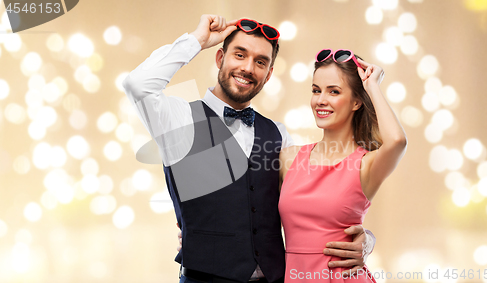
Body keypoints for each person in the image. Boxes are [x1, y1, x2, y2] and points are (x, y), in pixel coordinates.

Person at [123, 15, 376, 283]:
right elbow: (137, 84)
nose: (248, 68)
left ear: (268, 76)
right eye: (239, 55)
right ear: (219, 58)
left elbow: (320, 204)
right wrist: (197, 41)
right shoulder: (180, 119)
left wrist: (365, 241)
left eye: (260, 62)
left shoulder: (278, 133)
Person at [278, 49, 407, 282]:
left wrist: (372, 86)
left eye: (334, 91)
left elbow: (397, 141)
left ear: (356, 102)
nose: (321, 100)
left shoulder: (366, 164)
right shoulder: (288, 158)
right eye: (316, 90)